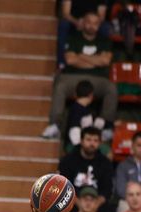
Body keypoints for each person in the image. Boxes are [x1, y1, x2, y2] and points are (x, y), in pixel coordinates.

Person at [44, 10, 116, 139]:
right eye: (88, 22)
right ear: (83, 23)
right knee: (60, 86)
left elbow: (105, 61)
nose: (91, 26)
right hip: (73, 77)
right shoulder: (73, 38)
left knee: (111, 88)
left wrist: (81, 57)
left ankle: (106, 126)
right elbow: (70, 60)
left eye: (95, 23)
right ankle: (54, 125)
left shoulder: (104, 41)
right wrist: (95, 60)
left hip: (97, 79)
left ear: (99, 25)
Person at [58, 127, 115, 212]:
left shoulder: (105, 163)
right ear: (81, 141)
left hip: (96, 203)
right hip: (74, 201)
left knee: (110, 211)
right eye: (88, 140)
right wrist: (80, 204)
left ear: (100, 143)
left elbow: (107, 189)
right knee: (64, 208)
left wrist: (95, 205)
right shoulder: (68, 160)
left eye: (95, 141)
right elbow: (65, 186)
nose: (92, 144)